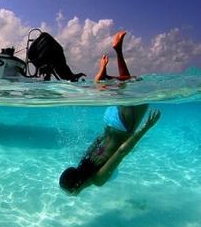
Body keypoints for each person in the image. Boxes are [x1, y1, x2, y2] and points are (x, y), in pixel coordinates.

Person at [59, 31, 161, 195]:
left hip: (123, 126)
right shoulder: (83, 164)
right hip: (109, 120)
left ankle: (118, 50)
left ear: (76, 186)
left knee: (132, 85)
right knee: (133, 84)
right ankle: (104, 78)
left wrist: (146, 127)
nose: (71, 195)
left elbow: (121, 151)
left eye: (69, 192)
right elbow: (99, 139)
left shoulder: (97, 180)